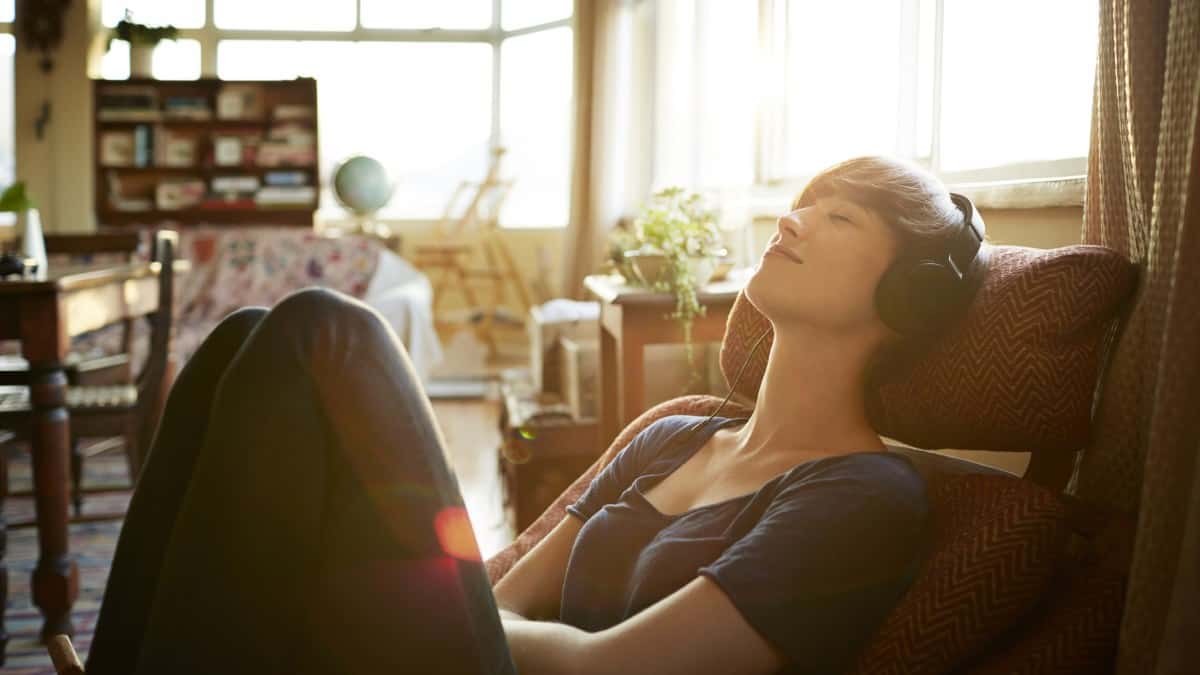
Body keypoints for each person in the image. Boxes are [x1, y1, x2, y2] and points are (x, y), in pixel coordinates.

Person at [87, 156, 987, 674]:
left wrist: (397, 610)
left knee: (329, 332)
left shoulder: (863, 495)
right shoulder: (678, 435)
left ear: (904, 296)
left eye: (839, 218)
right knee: (237, 341)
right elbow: (500, 592)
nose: (792, 219)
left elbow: (610, 672)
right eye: (804, 200)